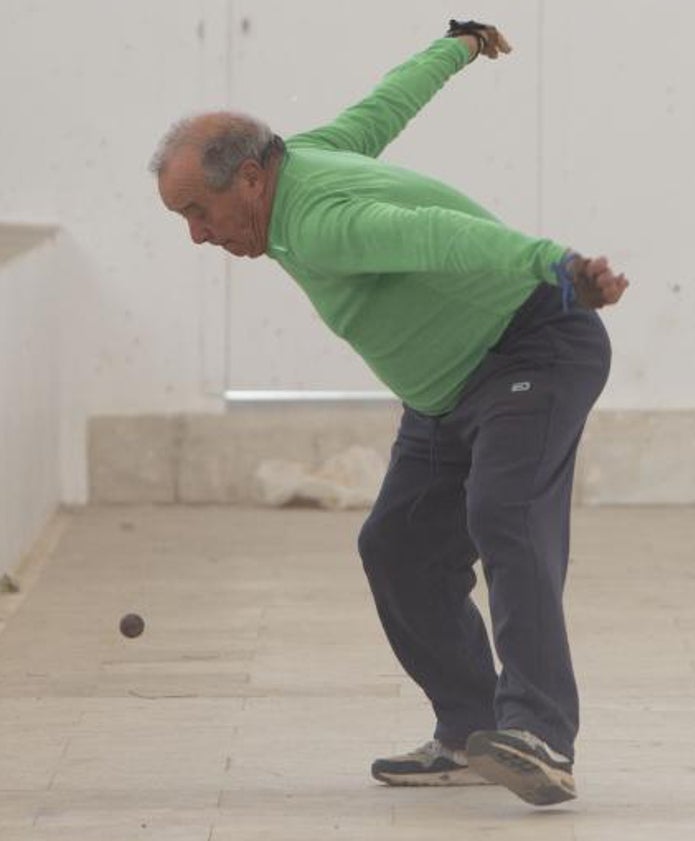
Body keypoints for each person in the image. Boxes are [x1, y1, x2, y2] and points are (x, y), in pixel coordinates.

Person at [150, 19, 628, 807]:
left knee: (503, 510)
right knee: (398, 546)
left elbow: (437, 234)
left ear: (247, 182)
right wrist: (460, 46)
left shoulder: (321, 221)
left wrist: (556, 265)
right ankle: (471, 729)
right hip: (444, 395)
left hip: (534, 350)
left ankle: (539, 733)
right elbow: (385, 104)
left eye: (198, 212)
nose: (198, 236)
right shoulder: (306, 151)